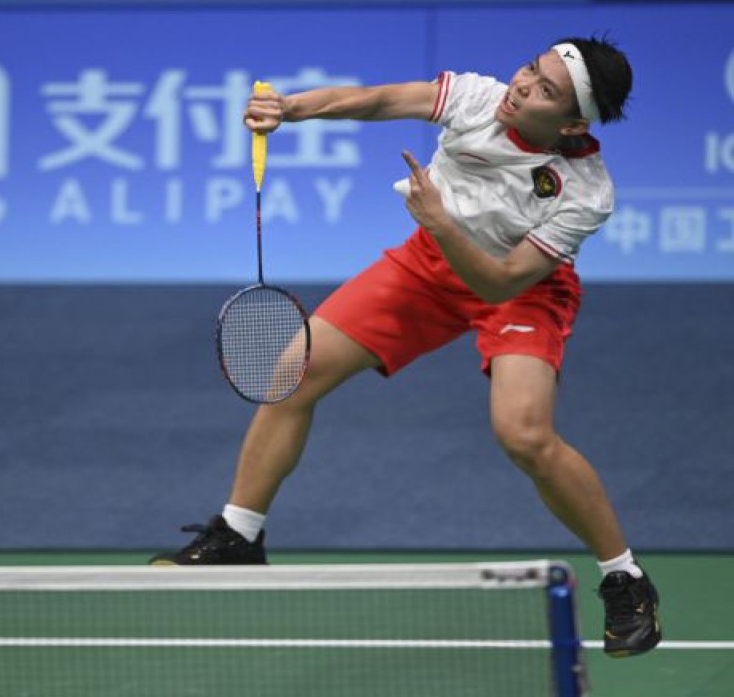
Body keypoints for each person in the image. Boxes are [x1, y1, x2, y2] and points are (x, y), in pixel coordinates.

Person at [151, 37, 662, 658]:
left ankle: (624, 577)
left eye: (545, 90)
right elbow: (380, 99)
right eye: (531, 69)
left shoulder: (584, 191)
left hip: (520, 290)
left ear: (574, 123)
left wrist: (441, 221)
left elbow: (499, 282)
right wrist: (294, 108)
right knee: (295, 372)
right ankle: (239, 534)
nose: (523, 86)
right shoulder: (477, 98)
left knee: (524, 435)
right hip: (426, 268)